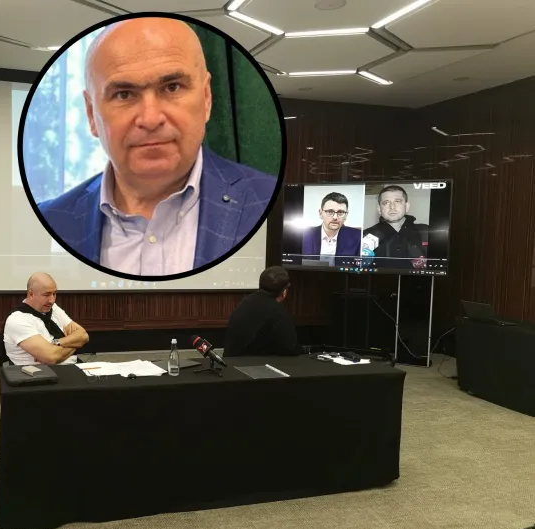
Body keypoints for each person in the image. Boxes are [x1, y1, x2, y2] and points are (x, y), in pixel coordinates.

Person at [37, 17, 278, 276]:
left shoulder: (268, 202)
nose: (150, 119)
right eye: (124, 94)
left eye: (172, 87)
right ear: (91, 114)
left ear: (206, 98)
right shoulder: (51, 220)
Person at [1, 272, 89, 365]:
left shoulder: (53, 308)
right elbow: (51, 358)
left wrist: (57, 343)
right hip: (41, 372)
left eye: (54, 294)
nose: (52, 300)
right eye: (47, 295)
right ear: (31, 294)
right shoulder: (18, 320)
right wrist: (75, 343)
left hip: (72, 365)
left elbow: (83, 336)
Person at [223, 266, 303, 357]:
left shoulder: (246, 301)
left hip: (231, 360)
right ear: (284, 292)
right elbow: (290, 348)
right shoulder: (277, 312)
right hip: (252, 362)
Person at [362, 185, 429, 262]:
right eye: (386, 202)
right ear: (379, 209)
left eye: (397, 201)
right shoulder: (365, 236)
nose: (392, 207)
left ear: (407, 206)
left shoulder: (427, 232)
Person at [301, 192, 361, 259]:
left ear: (346, 215)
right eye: (330, 212)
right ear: (320, 213)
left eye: (340, 212)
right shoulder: (303, 235)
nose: (335, 217)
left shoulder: (358, 237)